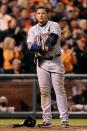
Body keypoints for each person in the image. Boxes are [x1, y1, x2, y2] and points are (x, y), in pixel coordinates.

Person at [27, 6, 69, 128]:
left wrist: (40, 48)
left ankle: (64, 119)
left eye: (43, 13)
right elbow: (30, 46)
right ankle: (47, 119)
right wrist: (40, 49)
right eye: (38, 13)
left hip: (55, 60)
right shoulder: (32, 29)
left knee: (59, 90)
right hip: (42, 63)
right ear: (36, 15)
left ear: (47, 14)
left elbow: (51, 41)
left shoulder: (54, 25)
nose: (41, 15)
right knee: (44, 92)